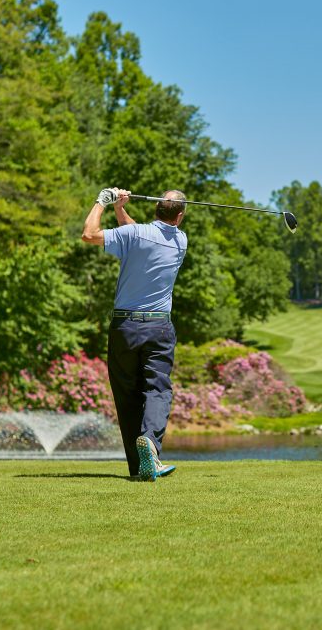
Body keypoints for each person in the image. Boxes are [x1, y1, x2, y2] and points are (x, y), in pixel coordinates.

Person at [81, 187, 188, 481]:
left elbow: (89, 234)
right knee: (158, 389)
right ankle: (150, 448)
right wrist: (120, 208)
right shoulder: (180, 240)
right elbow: (137, 234)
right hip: (159, 327)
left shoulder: (136, 236)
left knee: (127, 397)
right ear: (178, 217)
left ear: (155, 209)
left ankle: (139, 467)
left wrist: (102, 202)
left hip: (125, 328)